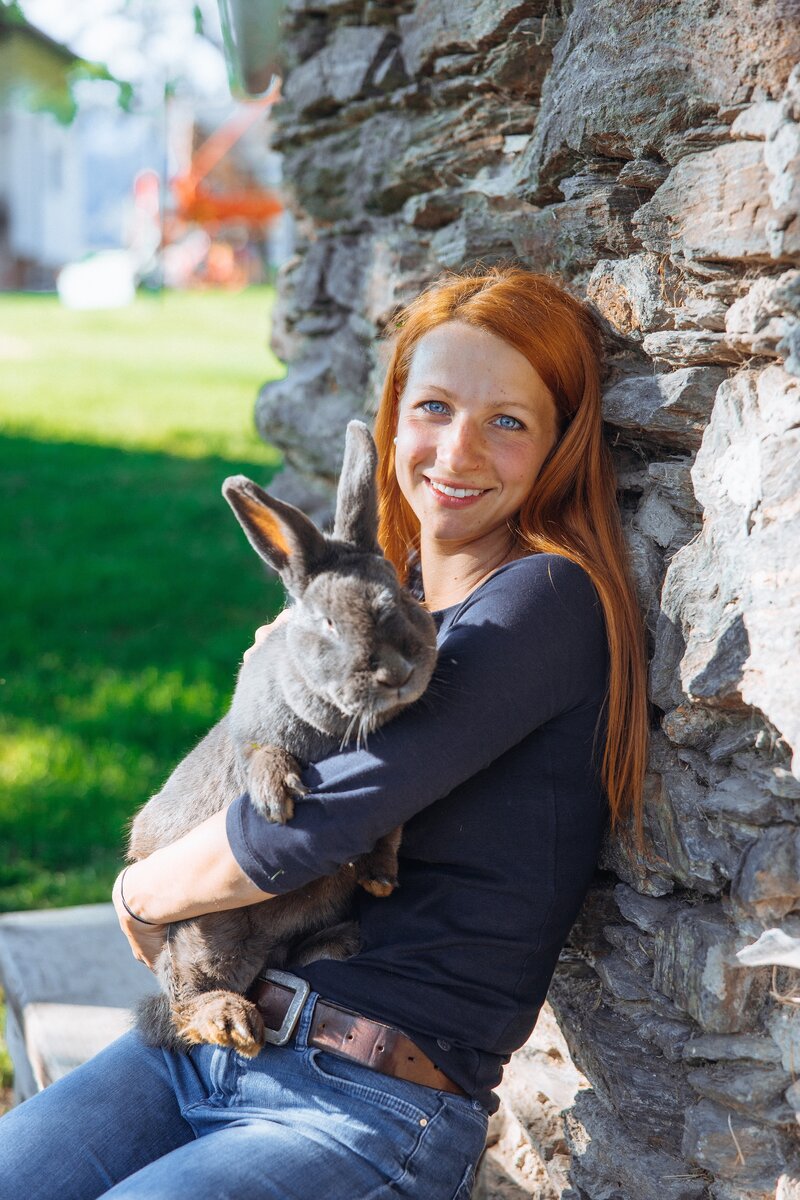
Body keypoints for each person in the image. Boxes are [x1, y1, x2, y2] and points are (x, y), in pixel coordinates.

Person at [0, 266, 648, 1199]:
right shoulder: (397, 609)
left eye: (507, 420)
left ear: (557, 446)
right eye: (433, 407)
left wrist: (141, 894)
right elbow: (259, 749)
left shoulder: (545, 602)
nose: (457, 450)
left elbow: (311, 824)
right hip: (209, 1044)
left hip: (369, 1103)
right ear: (391, 425)